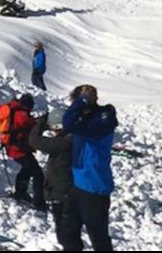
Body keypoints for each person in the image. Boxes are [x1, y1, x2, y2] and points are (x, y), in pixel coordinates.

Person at [61, 85, 118, 252]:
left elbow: (68, 123)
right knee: (69, 231)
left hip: (94, 187)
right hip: (77, 184)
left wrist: (83, 101)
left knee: (98, 237)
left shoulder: (103, 117)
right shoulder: (85, 119)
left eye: (78, 102)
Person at [29, 113, 73, 248]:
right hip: (67, 189)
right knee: (66, 230)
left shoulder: (64, 142)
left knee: (64, 232)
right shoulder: (72, 137)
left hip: (62, 190)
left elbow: (34, 140)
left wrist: (40, 124)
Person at [0, 93, 46, 211]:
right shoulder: (21, 113)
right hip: (17, 149)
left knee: (27, 169)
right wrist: (41, 122)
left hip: (15, 148)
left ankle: (20, 192)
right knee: (38, 174)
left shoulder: (14, 110)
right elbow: (27, 123)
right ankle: (38, 202)